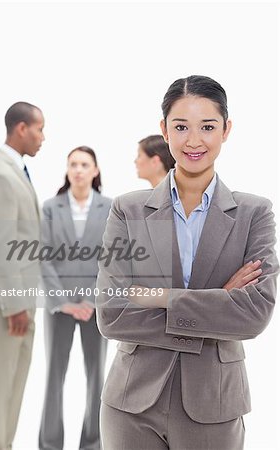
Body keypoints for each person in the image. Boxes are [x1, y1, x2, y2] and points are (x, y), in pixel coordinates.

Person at [96, 75, 279, 450]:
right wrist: (219, 298)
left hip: (214, 403)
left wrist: (160, 296)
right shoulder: (128, 210)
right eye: (181, 127)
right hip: (130, 406)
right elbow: (112, 313)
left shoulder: (254, 213)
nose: (194, 141)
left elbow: (254, 314)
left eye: (207, 127)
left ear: (226, 130)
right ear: (164, 130)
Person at [0, 102, 45, 450]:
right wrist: (14, 306)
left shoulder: (15, 171)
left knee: (13, 387)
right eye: (39, 129)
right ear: (21, 128)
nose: (42, 138)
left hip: (21, 303)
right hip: (5, 307)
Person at [39, 146, 111, 450]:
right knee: (54, 376)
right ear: (67, 170)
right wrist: (64, 302)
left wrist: (94, 301)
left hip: (98, 308)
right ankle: (50, 443)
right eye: (73, 164)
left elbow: (114, 259)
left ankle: (92, 443)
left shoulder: (109, 207)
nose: (78, 169)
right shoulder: (50, 208)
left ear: (95, 170)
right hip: (59, 308)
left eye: (84, 164)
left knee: (97, 377)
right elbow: (43, 258)